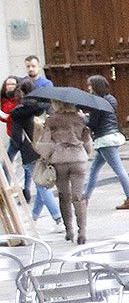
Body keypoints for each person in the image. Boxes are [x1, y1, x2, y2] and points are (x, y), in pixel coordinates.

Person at [38, 100, 92, 244]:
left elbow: (45, 143)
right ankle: (82, 231)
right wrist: (86, 153)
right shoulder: (81, 119)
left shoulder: (51, 120)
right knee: (78, 196)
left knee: (64, 195)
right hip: (78, 159)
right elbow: (87, 140)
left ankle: (69, 230)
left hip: (59, 160)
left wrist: (48, 156)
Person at [82, 75, 129, 210]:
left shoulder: (96, 102)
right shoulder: (111, 99)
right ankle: (85, 198)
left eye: (90, 85)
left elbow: (93, 123)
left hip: (104, 139)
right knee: (94, 169)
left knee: (119, 170)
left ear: (95, 86)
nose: (88, 88)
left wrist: (83, 118)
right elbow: (105, 117)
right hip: (111, 135)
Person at [9, 92, 61, 227]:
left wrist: (19, 148)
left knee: (42, 187)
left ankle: (58, 219)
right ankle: (34, 217)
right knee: (41, 185)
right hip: (46, 149)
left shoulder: (17, 114)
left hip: (30, 152)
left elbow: (16, 137)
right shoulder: (45, 107)